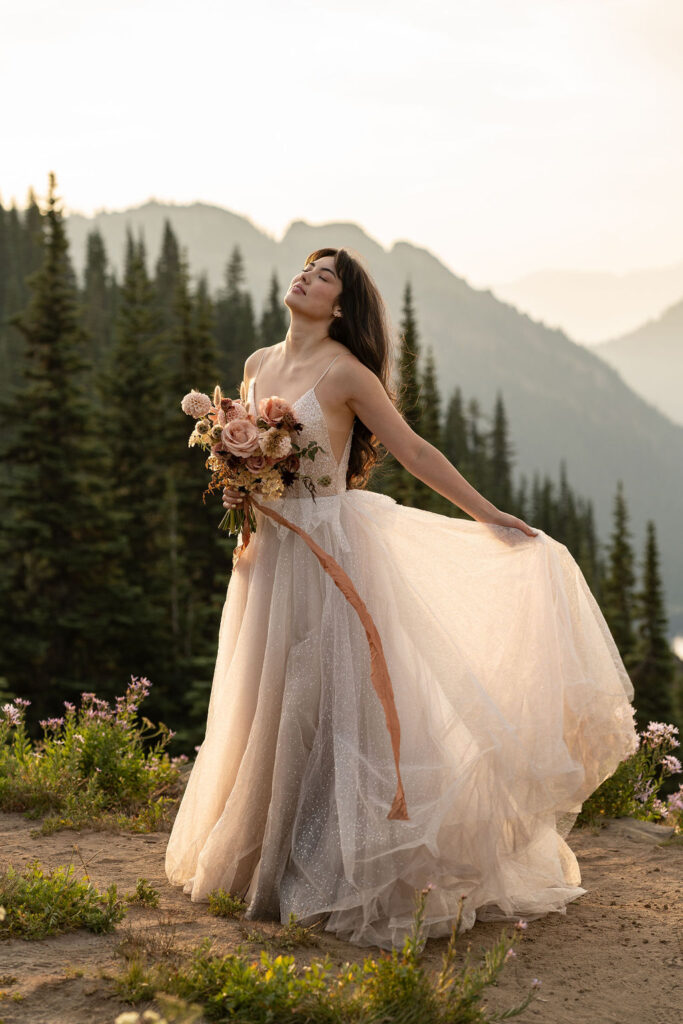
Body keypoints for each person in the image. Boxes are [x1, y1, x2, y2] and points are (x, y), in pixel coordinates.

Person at [165, 246, 638, 950]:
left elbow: (413, 451)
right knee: (267, 701)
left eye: (325, 275)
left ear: (342, 305)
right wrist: (240, 481)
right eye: (306, 267)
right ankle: (265, 852)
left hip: (334, 554)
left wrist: (488, 515)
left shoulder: (347, 372)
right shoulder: (260, 362)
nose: (307, 277)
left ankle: (348, 864)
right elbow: (255, 460)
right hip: (273, 554)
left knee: (328, 699)